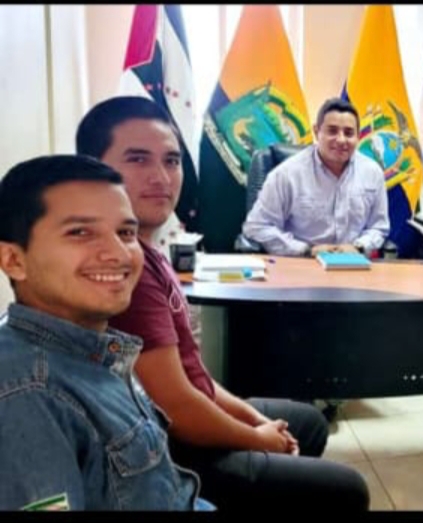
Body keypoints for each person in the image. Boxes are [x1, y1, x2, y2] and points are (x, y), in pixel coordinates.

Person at [75, 96, 369, 511]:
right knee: (348, 489)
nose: (161, 177)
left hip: (188, 410)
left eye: (172, 161)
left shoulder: (149, 251)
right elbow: (176, 407)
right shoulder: (122, 271)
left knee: (308, 422)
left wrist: (262, 426)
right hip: (171, 452)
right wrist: (257, 437)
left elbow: (196, 379)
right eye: (138, 159)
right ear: (93, 169)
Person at [0, 155, 202, 510]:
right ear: (14, 260)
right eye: (80, 232)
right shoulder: (28, 396)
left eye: (125, 233)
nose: (118, 253)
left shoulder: (94, 350)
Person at [242, 97, 390, 258]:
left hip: (354, 262)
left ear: (358, 136)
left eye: (349, 133)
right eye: (332, 131)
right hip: (302, 263)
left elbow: (379, 227)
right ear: (316, 131)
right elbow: (257, 226)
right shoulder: (286, 174)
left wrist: (359, 247)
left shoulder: (373, 173)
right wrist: (305, 250)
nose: (341, 140)